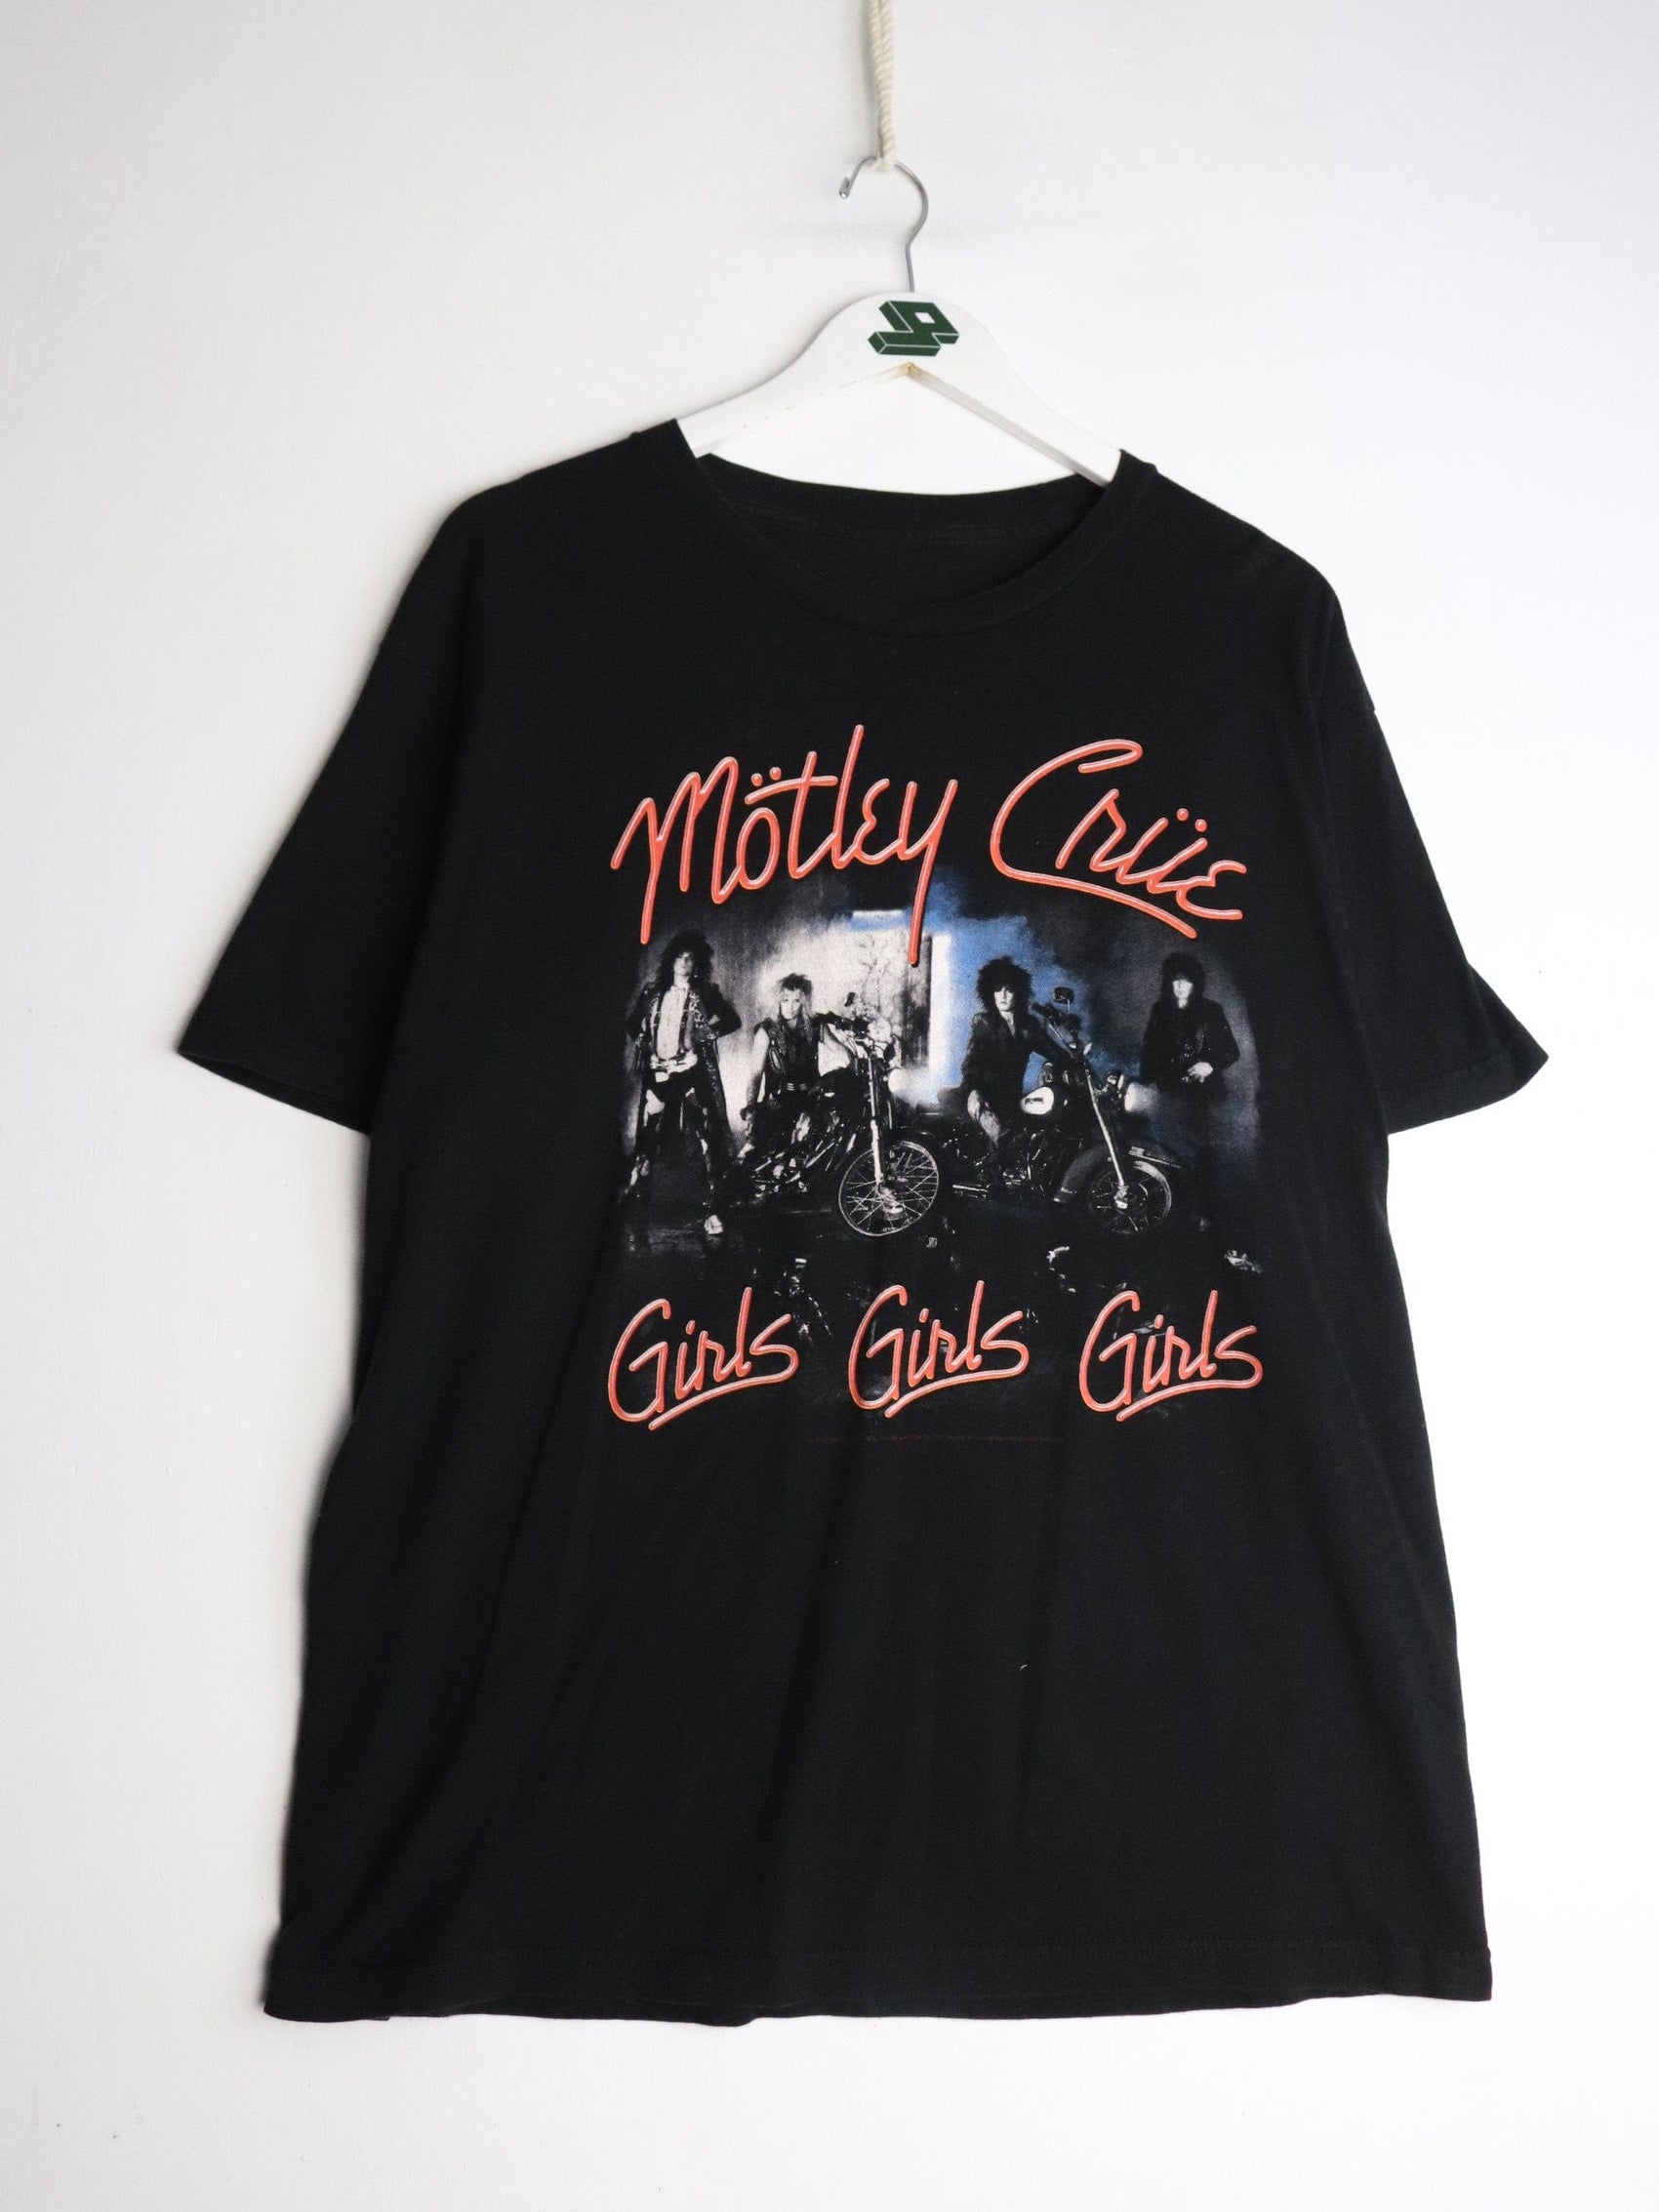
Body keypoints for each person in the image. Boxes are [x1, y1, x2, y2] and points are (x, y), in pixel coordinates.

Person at [624, 931, 740, 1241]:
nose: (685, 963)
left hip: (693, 1074)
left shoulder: (704, 993)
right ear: (670, 960)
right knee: (647, 1137)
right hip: (660, 1073)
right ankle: (638, 1202)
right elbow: (633, 1023)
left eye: (690, 958)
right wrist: (646, 1044)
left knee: (709, 1136)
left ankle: (714, 1210)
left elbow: (732, 1020)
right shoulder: (652, 993)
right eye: (680, 957)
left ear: (698, 963)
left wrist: (705, 1035)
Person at [1140, 951, 1240, 1232]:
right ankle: (1171, 1211)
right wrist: (1148, 1082)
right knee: (1166, 1153)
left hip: (1202, 1095)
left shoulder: (1211, 1011)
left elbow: (1232, 1051)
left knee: (1202, 1155)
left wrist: (1210, 1065)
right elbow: (1148, 1050)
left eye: (1186, 981)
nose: (1180, 986)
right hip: (1169, 1092)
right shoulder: (1160, 1011)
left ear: (1195, 983)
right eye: (1175, 981)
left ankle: (1205, 1213)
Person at [740, 973, 846, 1167]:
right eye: (786, 1000)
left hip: (810, 1102)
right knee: (768, 1163)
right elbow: (755, 1075)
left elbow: (841, 1051)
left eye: (796, 1001)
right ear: (778, 1001)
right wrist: (751, 1109)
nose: (790, 1006)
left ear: (803, 1003)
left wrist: (857, 1062)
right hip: (778, 1104)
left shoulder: (815, 1026)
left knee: (818, 1157)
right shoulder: (767, 1031)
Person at [959, 956, 1049, 1145]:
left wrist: (1074, 1055)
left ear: (1019, 993)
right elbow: (971, 1063)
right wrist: (973, 1091)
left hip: (1012, 1099)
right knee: (1005, 1144)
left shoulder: (1028, 1025)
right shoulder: (985, 1022)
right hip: (985, 1097)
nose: (1003, 995)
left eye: (1009, 990)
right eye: (998, 989)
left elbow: (1051, 1050)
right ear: (990, 993)